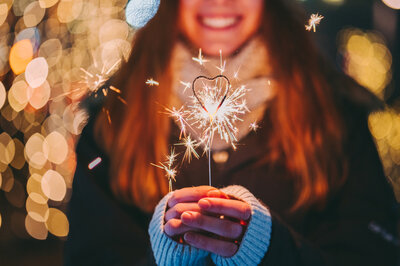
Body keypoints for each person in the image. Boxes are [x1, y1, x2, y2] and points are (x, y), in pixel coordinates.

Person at [64, 0, 399, 265]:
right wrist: (162, 257)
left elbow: (373, 254)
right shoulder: (113, 121)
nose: (221, 2)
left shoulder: (334, 112)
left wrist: (271, 249)